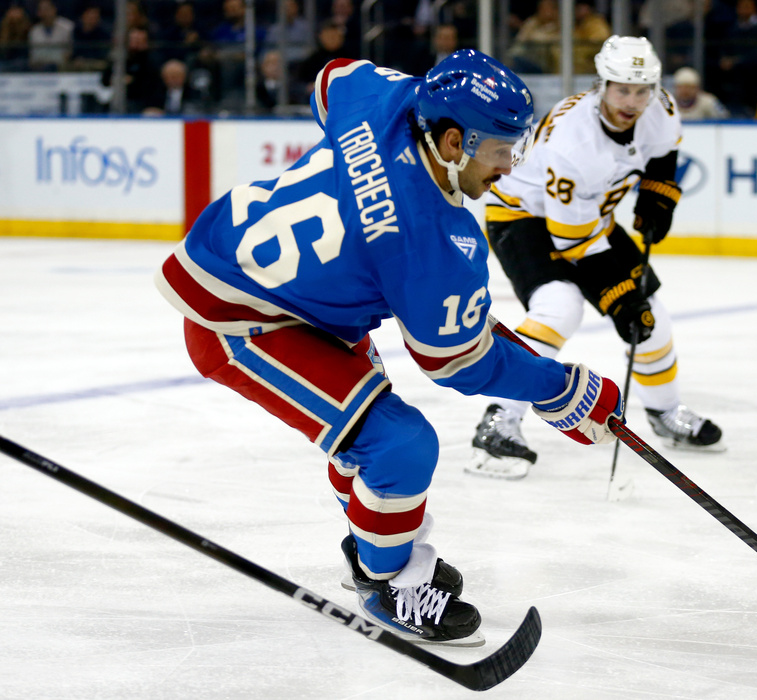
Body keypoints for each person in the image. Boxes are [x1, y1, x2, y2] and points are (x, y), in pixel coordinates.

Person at [154, 50, 623, 645]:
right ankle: (389, 581)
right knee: (398, 445)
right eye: (500, 150)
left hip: (280, 289)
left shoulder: (388, 98)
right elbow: (460, 361)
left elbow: (329, 78)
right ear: (453, 142)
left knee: (366, 435)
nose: (508, 167)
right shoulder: (434, 245)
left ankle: (380, 545)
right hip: (240, 320)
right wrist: (563, 391)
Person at [469, 36, 724, 480]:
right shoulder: (573, 142)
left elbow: (663, 157)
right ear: (600, 85)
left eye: (641, 90)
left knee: (652, 316)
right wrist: (620, 299)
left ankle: (664, 414)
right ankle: (499, 421)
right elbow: (574, 241)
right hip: (522, 216)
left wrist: (658, 197)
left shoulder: (660, 107)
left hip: (591, 217)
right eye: (621, 89)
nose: (632, 101)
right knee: (560, 306)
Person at [27, 0, 74, 70]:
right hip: (40, 70)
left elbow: (70, 51)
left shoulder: (68, 27)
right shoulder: (34, 31)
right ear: (38, 13)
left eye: (46, 9)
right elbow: (32, 56)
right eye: (41, 10)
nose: (44, 13)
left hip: (62, 70)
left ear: (54, 9)